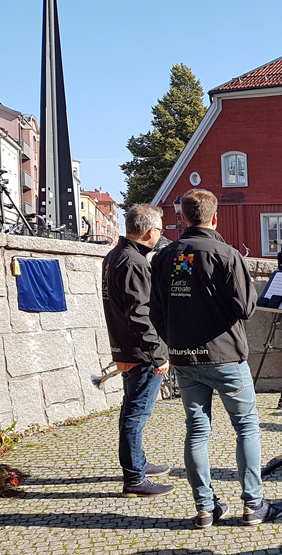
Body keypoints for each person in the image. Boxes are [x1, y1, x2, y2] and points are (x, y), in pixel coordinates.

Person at [150, 189, 282, 528]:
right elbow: (246, 308)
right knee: (246, 428)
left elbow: (154, 311)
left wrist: (174, 340)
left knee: (196, 431)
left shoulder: (165, 257)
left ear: (183, 218)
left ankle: (205, 508)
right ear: (214, 218)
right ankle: (254, 505)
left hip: (183, 358)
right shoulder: (226, 254)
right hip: (224, 355)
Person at [102, 204, 174, 498]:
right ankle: (134, 478)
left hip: (126, 345)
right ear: (149, 231)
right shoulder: (133, 262)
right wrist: (158, 353)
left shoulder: (114, 255)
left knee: (131, 409)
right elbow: (139, 314)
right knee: (136, 414)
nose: (161, 234)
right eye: (159, 229)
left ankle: (139, 462)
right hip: (141, 351)